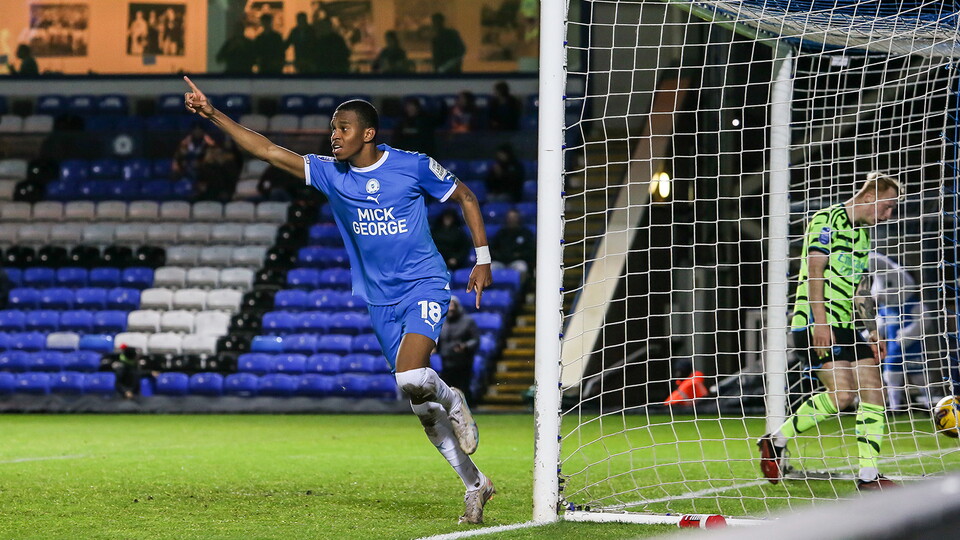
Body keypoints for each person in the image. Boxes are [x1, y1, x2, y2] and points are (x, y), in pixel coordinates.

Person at [182, 76, 496, 523]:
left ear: (368, 133)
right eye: (332, 128)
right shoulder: (331, 173)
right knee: (419, 403)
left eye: (343, 128)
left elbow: (465, 195)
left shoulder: (411, 165)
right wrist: (213, 113)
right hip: (378, 297)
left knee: (413, 377)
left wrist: (482, 258)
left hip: (423, 283)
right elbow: (267, 150)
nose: (334, 135)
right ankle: (475, 484)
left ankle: (454, 398)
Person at [758, 172, 902, 491]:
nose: (888, 214)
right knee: (843, 396)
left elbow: (861, 289)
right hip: (814, 322)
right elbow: (814, 272)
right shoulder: (827, 220)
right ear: (869, 197)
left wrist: (873, 331)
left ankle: (868, 476)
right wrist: (820, 323)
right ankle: (776, 440)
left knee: (873, 390)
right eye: (888, 206)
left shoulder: (862, 236)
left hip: (847, 326)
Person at [870, 251, 933, 411]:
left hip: (913, 348)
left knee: (920, 377)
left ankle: (929, 403)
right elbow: (879, 325)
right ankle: (895, 407)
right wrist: (868, 334)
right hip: (893, 349)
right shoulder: (886, 308)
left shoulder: (912, 304)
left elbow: (924, 320)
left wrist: (909, 334)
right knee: (891, 377)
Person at [438, 296, 480, 407]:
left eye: (453, 305)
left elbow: (475, 340)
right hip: (446, 362)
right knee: (447, 389)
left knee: (463, 388)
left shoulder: (468, 321)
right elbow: (439, 340)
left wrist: (464, 346)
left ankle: (467, 409)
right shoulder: (442, 322)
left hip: (463, 362)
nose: (451, 309)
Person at [490, 209, 535, 282]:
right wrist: (500, 255)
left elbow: (530, 251)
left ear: (519, 219)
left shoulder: (526, 233)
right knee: (490, 268)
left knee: (522, 268)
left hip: (517, 261)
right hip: (501, 261)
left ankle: (520, 288)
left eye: (514, 217)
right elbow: (493, 249)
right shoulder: (501, 233)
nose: (512, 220)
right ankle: (493, 288)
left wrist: (518, 255)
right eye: (510, 217)